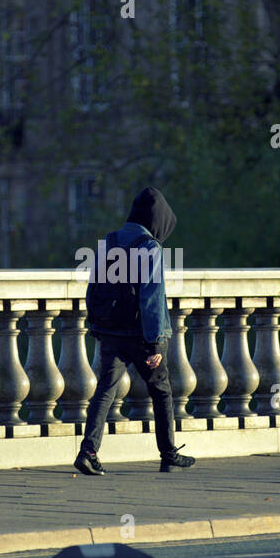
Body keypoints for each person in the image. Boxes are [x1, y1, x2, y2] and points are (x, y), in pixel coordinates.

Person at [74, 187, 197, 476]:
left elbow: (94, 289)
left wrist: (97, 325)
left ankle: (88, 452)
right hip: (141, 337)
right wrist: (155, 344)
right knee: (161, 391)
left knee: (104, 391)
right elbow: (151, 296)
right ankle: (168, 455)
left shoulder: (110, 241)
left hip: (110, 332)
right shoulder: (149, 247)